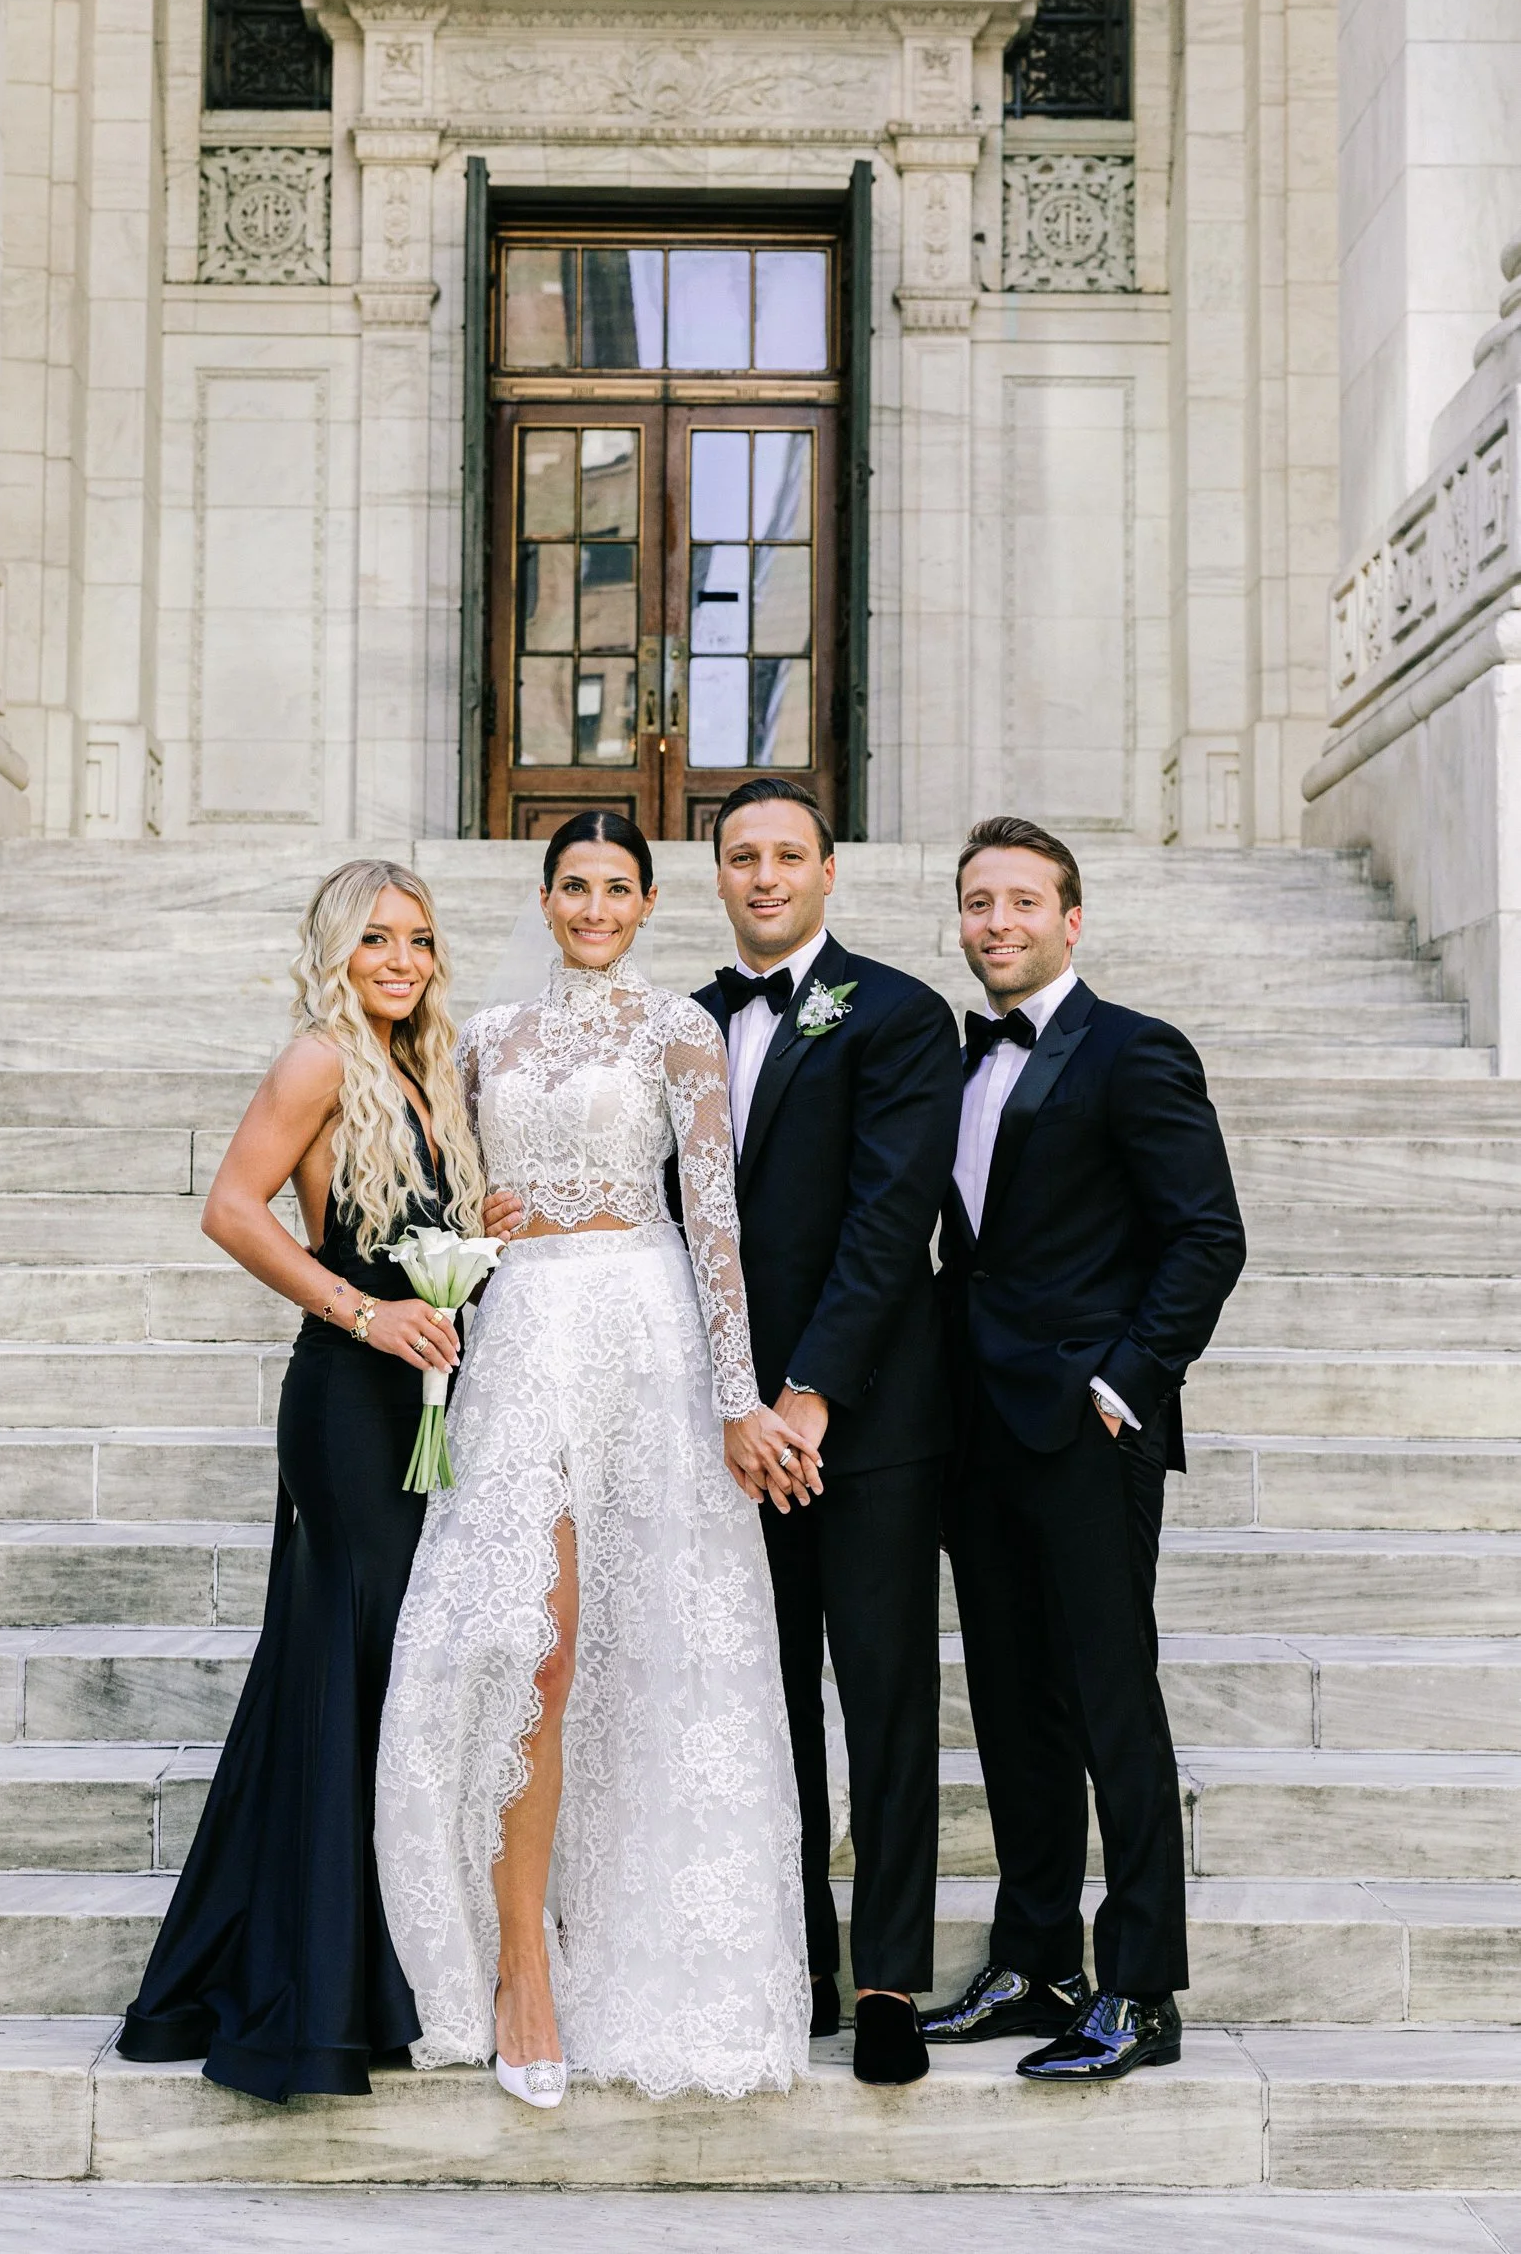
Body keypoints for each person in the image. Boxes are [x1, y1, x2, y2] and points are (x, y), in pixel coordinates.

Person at [374, 811, 812, 2109]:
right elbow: (432, 1200)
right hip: (524, 1337)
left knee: (648, 1646)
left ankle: (642, 1957)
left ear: (646, 900)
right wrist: (474, 1223)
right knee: (536, 1641)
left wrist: (739, 1397)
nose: (593, 906)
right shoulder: (483, 1039)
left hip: (646, 1334)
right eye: (574, 886)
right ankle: (520, 1960)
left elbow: (714, 1221)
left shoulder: (677, 1031)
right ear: (547, 896)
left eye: (617, 887)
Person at [116, 859, 484, 2103]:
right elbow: (232, 1207)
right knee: (351, 1660)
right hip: (345, 1398)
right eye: (376, 938)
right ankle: (322, 1988)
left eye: (419, 940)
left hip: (430, 1398)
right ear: (336, 947)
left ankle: (380, 1957)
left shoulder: (431, 1070)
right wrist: (363, 1313)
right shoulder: (317, 1059)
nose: (399, 959)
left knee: (390, 1667)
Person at [922, 816, 1247, 2081]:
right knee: (1010, 1701)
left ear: (1070, 917)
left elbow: (1204, 1236)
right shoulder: (950, 1060)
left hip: (1086, 1424)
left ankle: (1141, 1989)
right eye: (975, 902)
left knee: (1112, 1705)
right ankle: (1033, 1958)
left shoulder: (1133, 1050)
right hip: (975, 1431)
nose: (995, 922)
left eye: (1018, 900)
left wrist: (1126, 1379)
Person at [694, 776, 964, 2087]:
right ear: (718, 876)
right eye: (740, 858)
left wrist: (806, 1394)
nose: (762, 877)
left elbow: (886, 1217)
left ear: (825, 872)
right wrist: (735, 1404)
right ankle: (793, 1962)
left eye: (784, 856)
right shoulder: (678, 1026)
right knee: (764, 1706)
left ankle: (886, 1981)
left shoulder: (902, 1017)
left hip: (863, 1429)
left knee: (884, 1698)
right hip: (733, 1437)